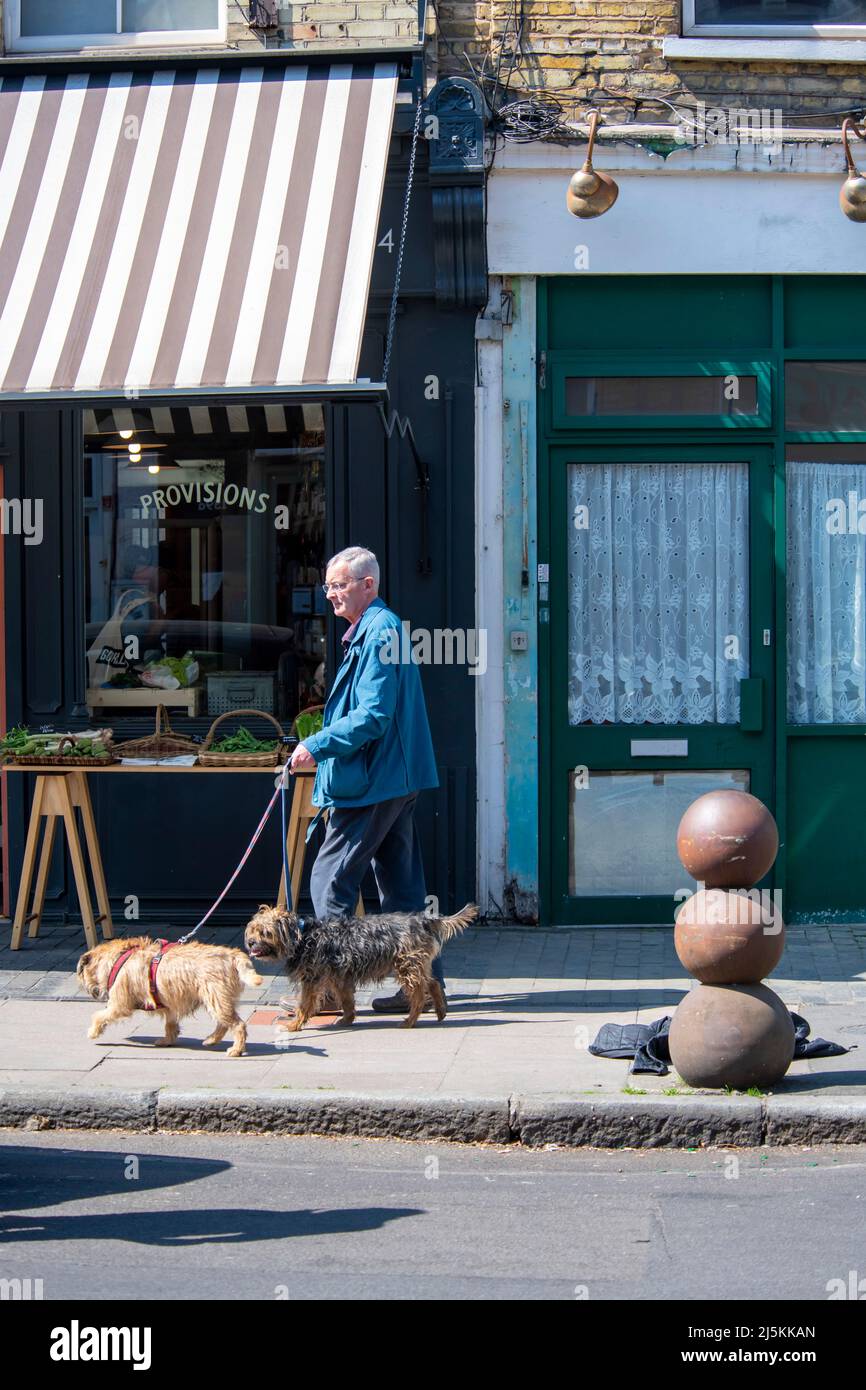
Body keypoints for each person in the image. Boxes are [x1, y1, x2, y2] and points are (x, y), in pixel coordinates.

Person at [289, 546, 444, 1012]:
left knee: (330, 880)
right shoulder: (378, 630)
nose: (330, 594)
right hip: (394, 776)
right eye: (328, 586)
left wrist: (315, 744)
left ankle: (334, 992)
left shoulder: (380, 632)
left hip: (375, 779)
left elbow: (373, 715)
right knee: (401, 887)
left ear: (368, 585)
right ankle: (420, 987)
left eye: (339, 585)